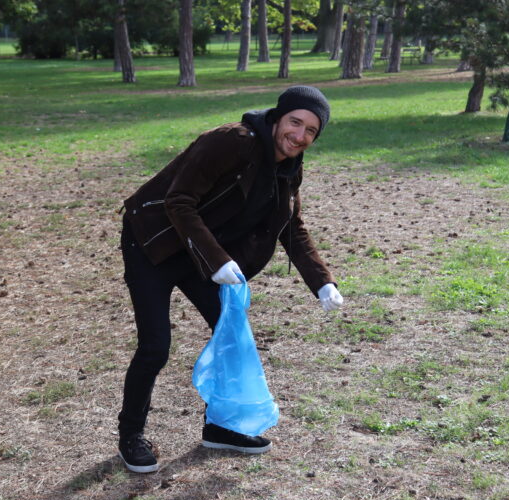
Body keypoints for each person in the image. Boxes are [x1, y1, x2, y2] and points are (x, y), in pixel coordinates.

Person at [117, 85, 344, 473]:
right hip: (153, 242)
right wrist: (218, 261)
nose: (300, 136)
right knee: (156, 346)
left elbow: (291, 227)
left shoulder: (288, 166)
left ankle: (221, 427)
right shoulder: (231, 142)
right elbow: (179, 200)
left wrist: (322, 281)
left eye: (311, 131)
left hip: (201, 253)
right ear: (278, 117)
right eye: (295, 122)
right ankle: (130, 435)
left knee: (232, 339)